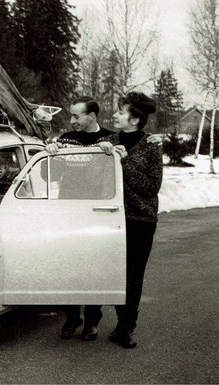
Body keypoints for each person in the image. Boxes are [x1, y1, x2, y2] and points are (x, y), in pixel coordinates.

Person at [46, 96, 114, 341]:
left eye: (76, 116)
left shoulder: (110, 139)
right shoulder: (65, 140)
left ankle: (93, 322)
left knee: (95, 266)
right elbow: (49, 178)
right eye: (71, 115)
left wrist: (110, 155)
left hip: (97, 212)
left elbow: (118, 176)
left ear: (92, 116)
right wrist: (51, 155)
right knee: (70, 265)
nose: (71, 120)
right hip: (69, 211)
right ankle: (72, 317)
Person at [98, 92, 162, 348]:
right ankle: (121, 324)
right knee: (116, 273)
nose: (114, 115)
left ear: (135, 120)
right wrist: (102, 150)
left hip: (141, 220)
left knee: (134, 276)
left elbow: (150, 187)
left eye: (121, 112)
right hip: (112, 219)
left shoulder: (151, 146)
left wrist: (123, 161)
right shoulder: (108, 141)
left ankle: (126, 327)